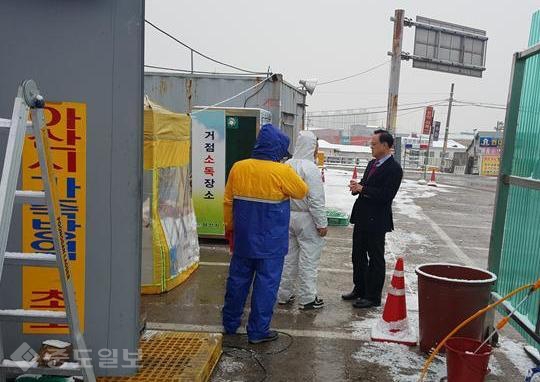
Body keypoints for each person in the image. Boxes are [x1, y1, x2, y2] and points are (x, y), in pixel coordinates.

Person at [222, 124, 308, 344]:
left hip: (243, 238)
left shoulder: (238, 167)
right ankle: (258, 331)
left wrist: (229, 227)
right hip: (271, 242)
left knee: (237, 281)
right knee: (266, 286)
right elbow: (301, 191)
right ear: (278, 149)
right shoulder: (282, 171)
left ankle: (230, 324)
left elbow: (228, 201)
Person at [342, 129, 403, 309]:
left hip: (377, 220)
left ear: (385, 146)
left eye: (374, 144)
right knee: (357, 256)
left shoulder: (394, 169)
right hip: (362, 217)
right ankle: (359, 289)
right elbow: (366, 185)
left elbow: (386, 195)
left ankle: (373, 296)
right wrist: (357, 187)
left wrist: (363, 189)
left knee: (375, 259)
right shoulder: (372, 164)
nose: (371, 147)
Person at [278, 131, 328, 310]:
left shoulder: (286, 165)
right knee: (308, 260)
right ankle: (307, 298)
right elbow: (315, 199)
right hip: (307, 218)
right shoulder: (311, 168)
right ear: (312, 146)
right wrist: (321, 223)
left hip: (288, 216)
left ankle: (284, 294)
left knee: (288, 258)